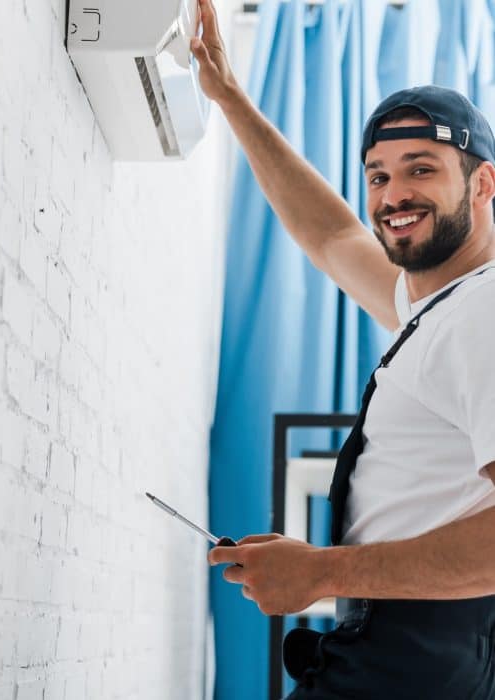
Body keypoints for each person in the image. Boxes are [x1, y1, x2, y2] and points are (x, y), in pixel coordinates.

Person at [192, 0, 495, 697]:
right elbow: (332, 238)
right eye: (380, 175)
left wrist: (321, 572)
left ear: (481, 185)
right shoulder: (433, 305)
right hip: (397, 650)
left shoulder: (483, 314)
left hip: (423, 660)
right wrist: (232, 100)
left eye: (421, 169)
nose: (394, 195)